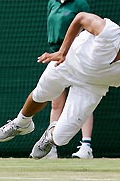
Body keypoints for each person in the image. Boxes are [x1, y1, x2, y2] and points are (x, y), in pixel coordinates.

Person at [0, 9, 120, 159]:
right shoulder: (107, 30)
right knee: (42, 94)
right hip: (68, 64)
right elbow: (81, 18)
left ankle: (50, 135)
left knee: (62, 138)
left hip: (92, 88)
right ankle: (21, 123)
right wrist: (62, 51)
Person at [44, 0, 93, 159]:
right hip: (55, 55)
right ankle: (50, 147)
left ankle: (86, 147)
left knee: (83, 102)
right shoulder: (52, 3)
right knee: (56, 103)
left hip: (78, 55)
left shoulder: (80, 4)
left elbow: (90, 30)